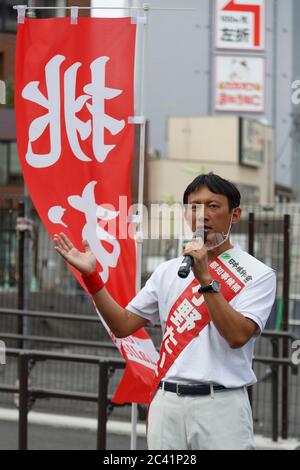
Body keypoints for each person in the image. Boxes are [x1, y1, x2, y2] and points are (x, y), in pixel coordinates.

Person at [53, 173, 276, 450]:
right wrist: (92, 278)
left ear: (235, 214)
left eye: (213, 206)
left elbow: (237, 335)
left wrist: (205, 278)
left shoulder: (258, 273)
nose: (202, 215)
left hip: (221, 405)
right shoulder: (169, 271)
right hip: (166, 402)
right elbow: (123, 325)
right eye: (194, 206)